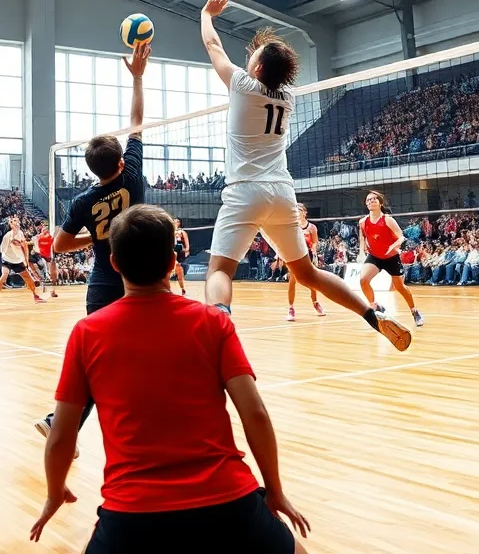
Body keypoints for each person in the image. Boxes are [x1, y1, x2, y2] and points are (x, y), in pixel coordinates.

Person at [31, 204, 309, 553]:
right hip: (227, 500)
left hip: (132, 515)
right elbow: (255, 414)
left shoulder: (86, 333)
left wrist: (55, 493)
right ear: (171, 263)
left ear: (114, 263)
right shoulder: (214, 323)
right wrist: (275, 491)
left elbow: (60, 436)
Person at [198, 0, 411, 351]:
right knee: (308, 272)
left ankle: (219, 329)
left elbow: (214, 47)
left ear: (259, 68)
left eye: (254, 57)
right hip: (282, 194)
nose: (248, 59)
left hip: (245, 190)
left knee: (219, 271)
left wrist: (206, 15)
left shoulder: (242, 84)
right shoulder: (288, 98)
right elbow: (255, 65)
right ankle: (372, 315)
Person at [36, 40, 151, 444]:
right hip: (144, 278)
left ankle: (61, 422)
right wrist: (137, 78)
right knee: (152, 350)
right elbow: (136, 120)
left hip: (103, 280)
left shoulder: (84, 200)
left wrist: (94, 239)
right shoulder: (133, 176)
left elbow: (59, 247)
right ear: (120, 162)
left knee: (98, 358)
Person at [357, 191, 423, 327]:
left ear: (380, 203)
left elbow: (401, 236)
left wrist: (394, 245)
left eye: (375, 199)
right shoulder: (363, 222)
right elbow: (362, 237)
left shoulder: (387, 220)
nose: (371, 201)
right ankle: (375, 307)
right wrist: (361, 252)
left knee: (400, 287)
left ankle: (414, 311)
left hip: (391, 257)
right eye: (369, 200)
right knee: (363, 280)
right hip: (375, 256)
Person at [0, 216, 43, 307]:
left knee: (29, 279)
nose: (17, 222)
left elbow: (24, 247)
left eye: (18, 221)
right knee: (4, 276)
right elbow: (2, 250)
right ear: (11, 224)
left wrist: (25, 260)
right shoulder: (7, 236)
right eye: (14, 221)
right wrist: (2, 261)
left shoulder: (20, 233)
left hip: (17, 260)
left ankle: (35, 296)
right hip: (7, 259)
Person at [286, 205, 324, 321]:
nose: (297, 212)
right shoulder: (291, 227)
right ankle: (291, 308)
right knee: (292, 282)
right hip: (294, 255)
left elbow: (315, 242)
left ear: (305, 213)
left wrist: (314, 252)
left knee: (312, 282)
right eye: (295, 210)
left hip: (308, 256)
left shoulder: (311, 227)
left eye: (300, 210)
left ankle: (315, 303)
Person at [36, 224, 59, 299]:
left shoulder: (50, 237)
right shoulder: (40, 238)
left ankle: (51, 290)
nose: (44, 231)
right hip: (42, 257)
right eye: (43, 230)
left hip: (49, 258)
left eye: (45, 229)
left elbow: (53, 244)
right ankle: (50, 291)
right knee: (47, 274)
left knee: (52, 275)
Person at [172, 217, 189, 296]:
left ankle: (183, 289)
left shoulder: (182, 232)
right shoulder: (169, 232)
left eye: (177, 222)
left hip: (180, 255)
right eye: (174, 221)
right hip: (172, 253)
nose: (175, 223)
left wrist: (185, 251)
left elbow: (187, 246)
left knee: (180, 272)